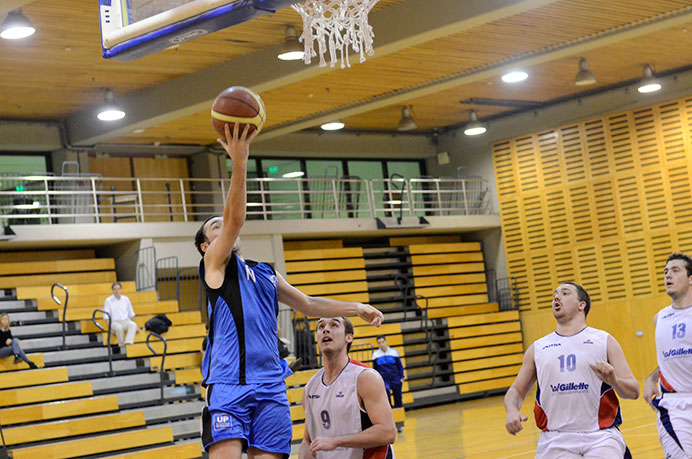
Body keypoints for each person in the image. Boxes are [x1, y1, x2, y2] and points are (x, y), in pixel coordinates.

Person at [195, 123, 384, 459]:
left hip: (270, 385)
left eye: (222, 222)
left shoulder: (265, 272)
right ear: (206, 245)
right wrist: (240, 162)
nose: (224, 226)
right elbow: (235, 218)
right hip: (228, 385)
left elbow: (308, 305)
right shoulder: (214, 265)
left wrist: (354, 307)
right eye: (216, 226)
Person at [504, 282, 639, 458]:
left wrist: (615, 381)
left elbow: (634, 391)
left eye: (565, 293)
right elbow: (516, 390)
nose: (556, 297)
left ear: (581, 305)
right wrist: (512, 410)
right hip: (555, 439)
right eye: (555, 294)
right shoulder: (538, 348)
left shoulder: (604, 340)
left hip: (600, 436)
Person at [300, 317, 396, 458]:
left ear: (349, 337)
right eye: (321, 327)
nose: (325, 329)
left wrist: (337, 441)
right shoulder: (310, 388)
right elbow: (307, 441)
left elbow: (388, 432)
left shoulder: (365, 378)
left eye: (334, 325)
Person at [643, 253, 692, 458]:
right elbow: (664, 359)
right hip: (675, 406)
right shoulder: (660, 318)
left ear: (691, 279)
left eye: (675, 270)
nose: (667, 275)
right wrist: (652, 378)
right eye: (665, 272)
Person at [372, 335, 405, 431]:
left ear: (386, 342)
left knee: (398, 400)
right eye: (379, 343)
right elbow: (375, 370)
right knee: (387, 402)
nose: (381, 344)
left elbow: (400, 366)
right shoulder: (375, 355)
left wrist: (401, 378)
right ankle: (390, 424)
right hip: (384, 380)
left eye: (382, 342)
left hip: (395, 379)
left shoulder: (394, 352)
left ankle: (399, 424)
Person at [102, 281, 138, 346]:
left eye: (118, 289)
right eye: (115, 289)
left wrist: (136, 325)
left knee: (133, 325)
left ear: (121, 290)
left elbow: (131, 313)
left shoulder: (126, 299)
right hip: (115, 322)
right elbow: (106, 316)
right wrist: (110, 328)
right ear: (112, 290)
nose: (117, 291)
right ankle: (121, 345)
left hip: (125, 321)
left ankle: (128, 343)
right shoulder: (108, 300)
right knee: (119, 328)